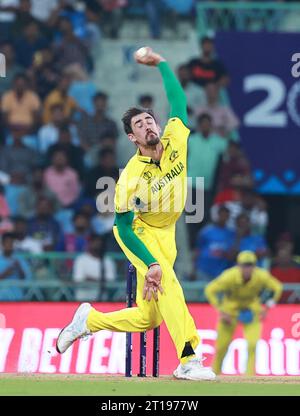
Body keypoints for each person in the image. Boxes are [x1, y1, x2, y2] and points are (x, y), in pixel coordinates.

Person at [56, 46, 216, 381]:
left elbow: (179, 101)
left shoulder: (175, 138)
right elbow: (122, 227)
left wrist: (162, 64)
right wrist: (151, 262)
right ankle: (189, 358)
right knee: (169, 284)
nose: (147, 126)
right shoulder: (129, 177)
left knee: (148, 318)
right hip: (139, 232)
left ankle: (89, 320)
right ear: (132, 137)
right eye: (139, 125)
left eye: (148, 120)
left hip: (168, 231)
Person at [205, 251, 282, 376]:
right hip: (230, 313)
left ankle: (249, 378)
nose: (247, 268)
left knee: (252, 345)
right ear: (238, 265)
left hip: (252, 312)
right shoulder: (228, 276)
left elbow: (277, 287)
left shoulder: (261, 276)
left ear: (255, 266)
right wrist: (221, 311)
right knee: (221, 347)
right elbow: (210, 290)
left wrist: (268, 306)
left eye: (250, 265)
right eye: (244, 265)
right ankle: (214, 374)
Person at [72, 234, 116, 302]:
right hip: (83, 299)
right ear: (89, 243)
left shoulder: (107, 260)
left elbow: (111, 280)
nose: (97, 245)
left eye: (99, 242)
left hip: (103, 300)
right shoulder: (81, 259)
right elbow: (78, 279)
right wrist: (100, 280)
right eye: (94, 242)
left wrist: (90, 279)